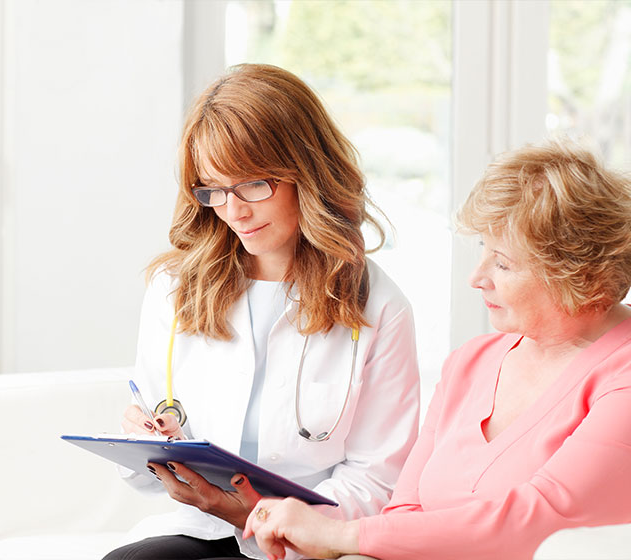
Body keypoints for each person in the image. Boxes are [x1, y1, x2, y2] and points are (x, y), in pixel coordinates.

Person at [243, 138, 631, 560]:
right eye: (483, 251)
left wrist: (340, 535)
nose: (477, 278)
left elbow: (541, 523)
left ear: (577, 274)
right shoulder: (472, 362)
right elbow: (405, 512)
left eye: (503, 263)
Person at [103, 64, 420, 560]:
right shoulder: (175, 289)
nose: (234, 211)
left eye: (252, 184)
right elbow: (150, 439)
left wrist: (265, 515)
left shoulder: (379, 307)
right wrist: (146, 437)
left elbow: (378, 479)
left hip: (308, 542)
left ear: (307, 171)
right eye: (213, 189)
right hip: (201, 528)